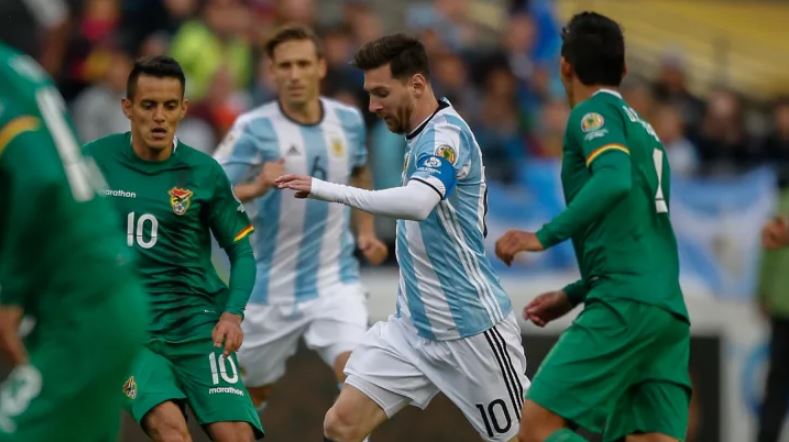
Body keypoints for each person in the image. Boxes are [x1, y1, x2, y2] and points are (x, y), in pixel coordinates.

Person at [277, 33, 529, 442]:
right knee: (341, 425)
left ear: (416, 84)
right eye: (369, 94)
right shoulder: (418, 137)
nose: (373, 106)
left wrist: (325, 189)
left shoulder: (445, 137)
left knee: (523, 438)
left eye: (381, 93)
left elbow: (418, 202)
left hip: (471, 330)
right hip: (413, 330)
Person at [495, 12, 691, 442]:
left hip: (623, 306)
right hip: (666, 311)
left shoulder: (592, 114)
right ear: (624, 69)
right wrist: (573, 294)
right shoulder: (647, 134)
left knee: (535, 427)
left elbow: (614, 178)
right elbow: (638, 237)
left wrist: (543, 236)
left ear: (564, 67)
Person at [83, 55, 264, 442]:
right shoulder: (94, 161)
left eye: (169, 106)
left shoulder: (204, 172)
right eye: (148, 105)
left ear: (183, 108)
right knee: (169, 428)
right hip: (129, 330)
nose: (159, 117)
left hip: (199, 327)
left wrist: (233, 315)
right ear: (127, 108)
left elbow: (243, 254)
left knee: (237, 436)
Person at [214, 25, 388, 412]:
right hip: (268, 288)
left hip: (334, 280)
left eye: (303, 64)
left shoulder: (348, 121)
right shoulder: (252, 129)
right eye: (285, 66)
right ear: (271, 71)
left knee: (358, 379)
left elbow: (360, 170)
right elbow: (207, 191)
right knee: (250, 397)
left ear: (321, 67)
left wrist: (365, 231)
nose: (295, 74)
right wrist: (256, 187)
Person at [0, 42, 147, 441]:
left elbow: (39, 179)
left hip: (84, 306)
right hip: (103, 293)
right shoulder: (18, 67)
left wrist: (9, 294)